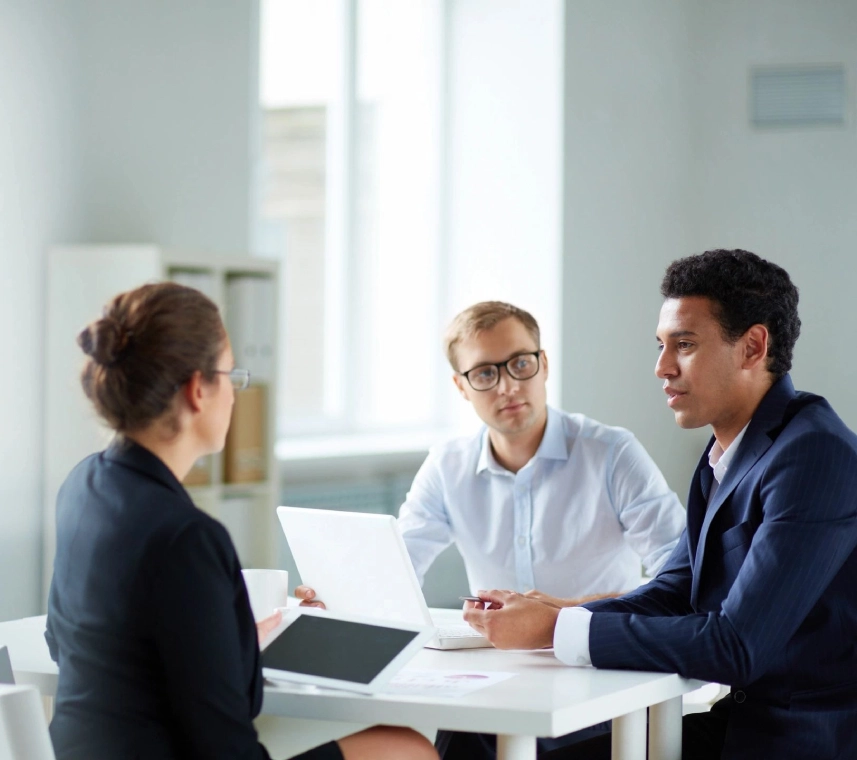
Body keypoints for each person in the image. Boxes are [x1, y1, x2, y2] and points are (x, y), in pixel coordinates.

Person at [459, 250, 857, 760]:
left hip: (799, 740)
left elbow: (736, 646)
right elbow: (675, 590)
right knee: (486, 742)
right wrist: (550, 616)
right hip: (740, 724)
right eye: (662, 345)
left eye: (684, 345)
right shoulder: (726, 452)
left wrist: (558, 628)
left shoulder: (813, 454)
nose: (661, 367)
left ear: (753, 346)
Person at [45, 282, 437, 760]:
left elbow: (69, 643)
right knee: (407, 746)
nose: (235, 393)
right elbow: (225, 744)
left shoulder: (83, 486)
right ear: (197, 390)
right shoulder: (188, 536)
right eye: (231, 376)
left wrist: (224, 640)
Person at [298, 300, 685, 756]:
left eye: (520, 364)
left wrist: (562, 614)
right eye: (484, 374)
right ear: (461, 387)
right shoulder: (448, 465)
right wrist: (339, 596)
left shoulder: (611, 453)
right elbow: (397, 567)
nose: (507, 386)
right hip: (493, 684)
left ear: (544, 365)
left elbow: (681, 581)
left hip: (597, 675)